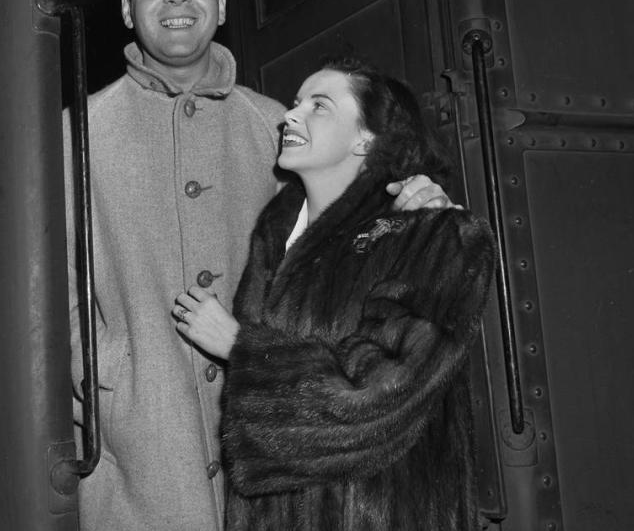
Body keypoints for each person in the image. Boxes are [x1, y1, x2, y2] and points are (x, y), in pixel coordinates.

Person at [64, 0, 455, 531]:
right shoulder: (73, 133)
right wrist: (106, 382)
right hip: (138, 448)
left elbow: (352, 238)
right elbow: (46, 293)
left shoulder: (280, 125)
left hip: (272, 451)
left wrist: (413, 202)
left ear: (219, 7)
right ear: (125, 7)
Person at [174, 57, 496, 530]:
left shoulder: (434, 235)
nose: (291, 116)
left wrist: (241, 348)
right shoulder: (275, 237)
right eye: (295, 103)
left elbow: (377, 395)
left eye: (319, 106)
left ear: (367, 136)